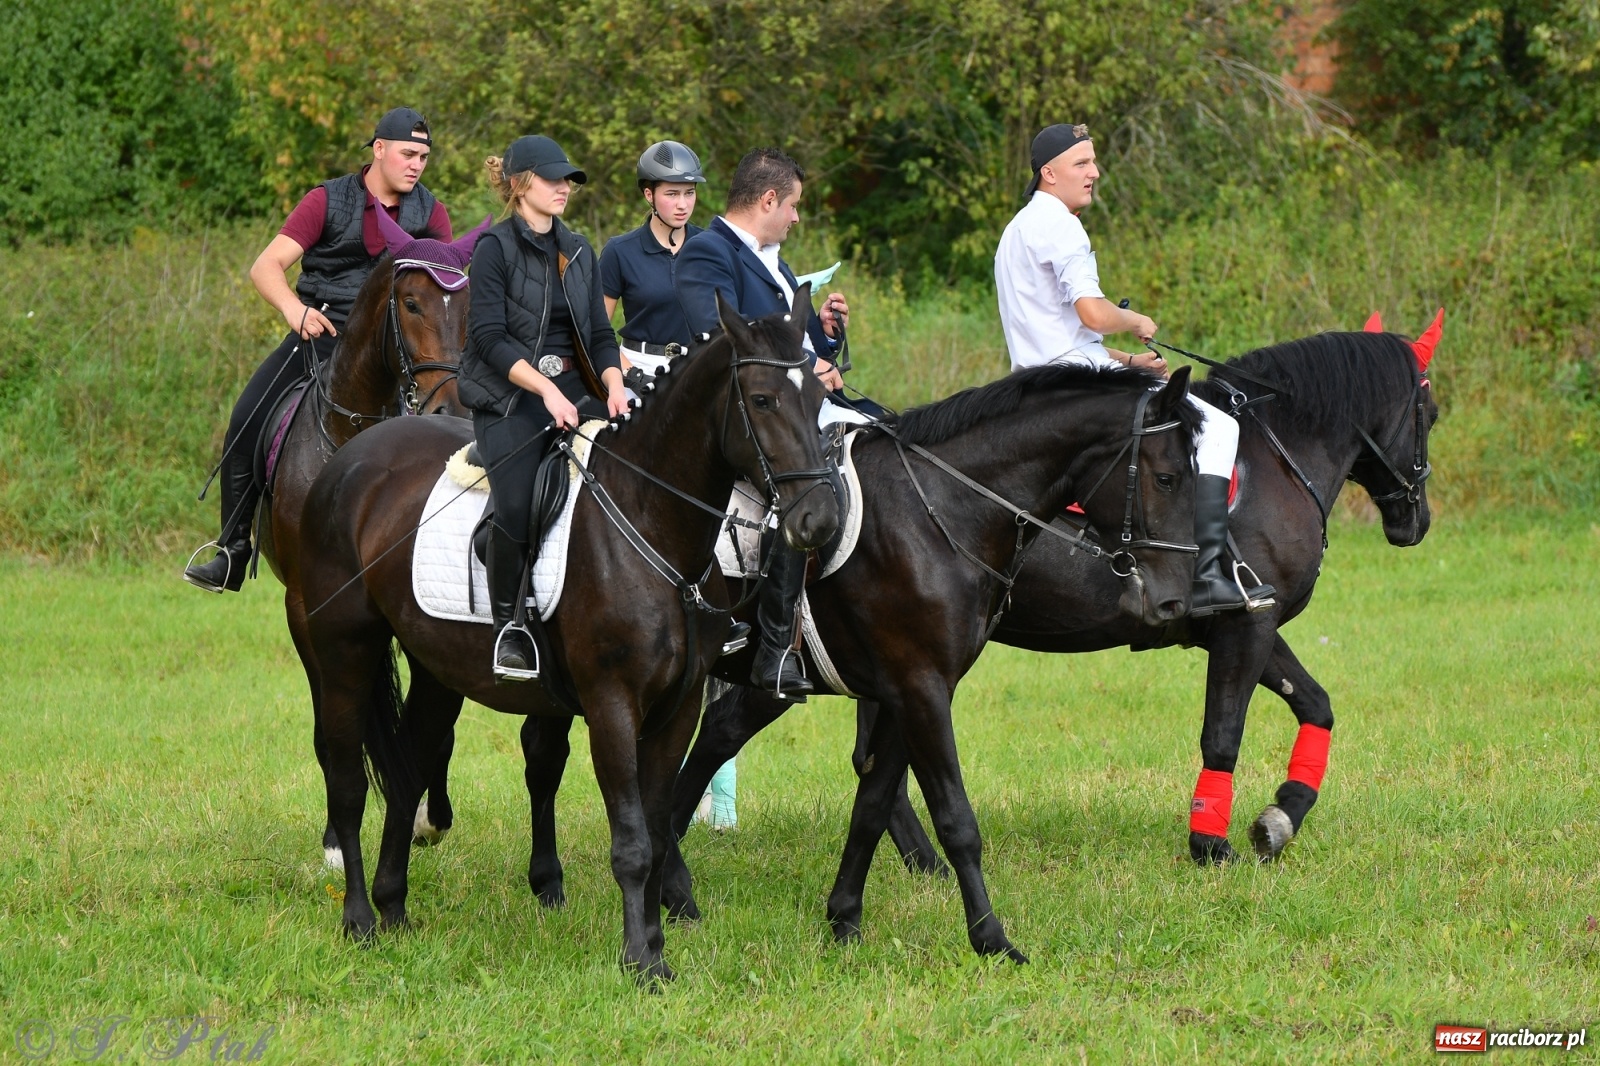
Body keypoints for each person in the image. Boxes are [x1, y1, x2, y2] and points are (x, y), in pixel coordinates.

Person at [994, 123, 1275, 616]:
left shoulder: (1017, 229)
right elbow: (1092, 315)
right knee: (1218, 428)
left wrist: (1129, 362)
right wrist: (1134, 321)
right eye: (1082, 164)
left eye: (1093, 162)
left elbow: (1055, 337)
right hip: (1078, 385)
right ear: (1049, 172)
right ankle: (1209, 573)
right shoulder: (1062, 226)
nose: (1094, 173)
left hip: (1043, 382)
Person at [184, 107, 454, 592]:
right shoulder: (326, 201)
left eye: (424, 157)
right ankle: (232, 546)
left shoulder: (431, 213)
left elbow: (444, 288)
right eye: (408, 153)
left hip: (395, 353)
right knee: (247, 417)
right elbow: (266, 267)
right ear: (379, 149)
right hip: (319, 335)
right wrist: (294, 310)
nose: (417, 165)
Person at [674, 147, 851, 699]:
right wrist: (804, 362)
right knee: (803, 486)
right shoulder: (708, 253)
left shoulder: (776, 258)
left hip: (796, 405)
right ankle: (775, 649)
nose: (797, 218)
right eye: (793, 205)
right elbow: (723, 341)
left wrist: (824, 334)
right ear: (768, 199)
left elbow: (794, 342)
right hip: (745, 416)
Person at [600, 140, 741, 826]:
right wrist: (618, 374)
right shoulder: (621, 253)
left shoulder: (713, 251)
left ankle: (745, 625)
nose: (682, 202)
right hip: (637, 386)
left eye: (689, 192)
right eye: (670, 191)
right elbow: (597, 325)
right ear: (649, 196)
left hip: (700, 392)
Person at [458, 135, 629, 680]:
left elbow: (601, 334)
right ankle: (509, 624)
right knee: (515, 503)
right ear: (519, 183)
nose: (564, 188)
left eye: (569, 180)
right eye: (553, 178)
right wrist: (546, 391)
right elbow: (487, 336)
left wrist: (616, 384)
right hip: (507, 397)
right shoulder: (494, 249)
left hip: (581, 391)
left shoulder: (580, 250)